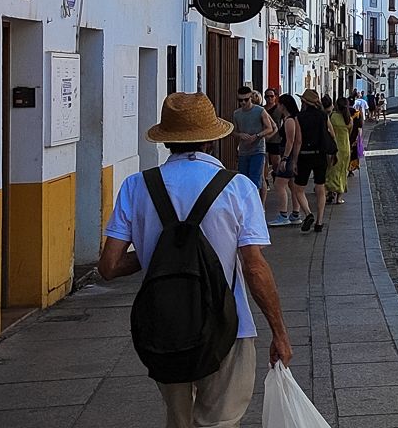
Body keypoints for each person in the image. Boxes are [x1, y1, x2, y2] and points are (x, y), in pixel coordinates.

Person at [98, 92, 291, 427]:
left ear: (166, 140)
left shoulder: (136, 186)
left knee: (178, 421)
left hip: (164, 327)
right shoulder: (238, 187)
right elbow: (254, 267)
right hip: (229, 325)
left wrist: (156, 251)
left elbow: (109, 267)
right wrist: (279, 332)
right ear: (212, 140)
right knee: (220, 421)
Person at [295, 90, 333, 232]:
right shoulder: (323, 115)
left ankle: (308, 213)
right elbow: (332, 133)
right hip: (320, 155)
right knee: (320, 187)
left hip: (304, 155)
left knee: (299, 189)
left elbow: (298, 141)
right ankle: (319, 221)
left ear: (304, 102)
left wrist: (293, 160)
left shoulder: (299, 117)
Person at [266, 93, 305, 227]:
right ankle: (295, 213)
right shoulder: (291, 119)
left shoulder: (289, 121)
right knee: (292, 185)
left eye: (279, 104)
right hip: (292, 156)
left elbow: (290, 141)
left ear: (283, 106)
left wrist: (285, 158)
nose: (277, 106)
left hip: (288, 155)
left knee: (279, 184)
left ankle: (283, 214)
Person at [230, 87, 275, 200]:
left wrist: (257, 136)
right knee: (244, 180)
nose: (243, 103)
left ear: (251, 98)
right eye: (240, 100)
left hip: (258, 150)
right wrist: (240, 135)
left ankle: (256, 204)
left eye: (246, 100)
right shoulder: (236, 114)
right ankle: (249, 203)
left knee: (255, 180)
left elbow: (270, 128)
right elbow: (233, 132)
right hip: (243, 151)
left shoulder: (260, 111)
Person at [327, 97, 352, 205]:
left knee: (332, 170)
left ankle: (330, 191)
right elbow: (349, 133)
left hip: (334, 147)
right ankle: (339, 197)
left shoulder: (332, 116)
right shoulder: (349, 119)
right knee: (343, 171)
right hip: (345, 147)